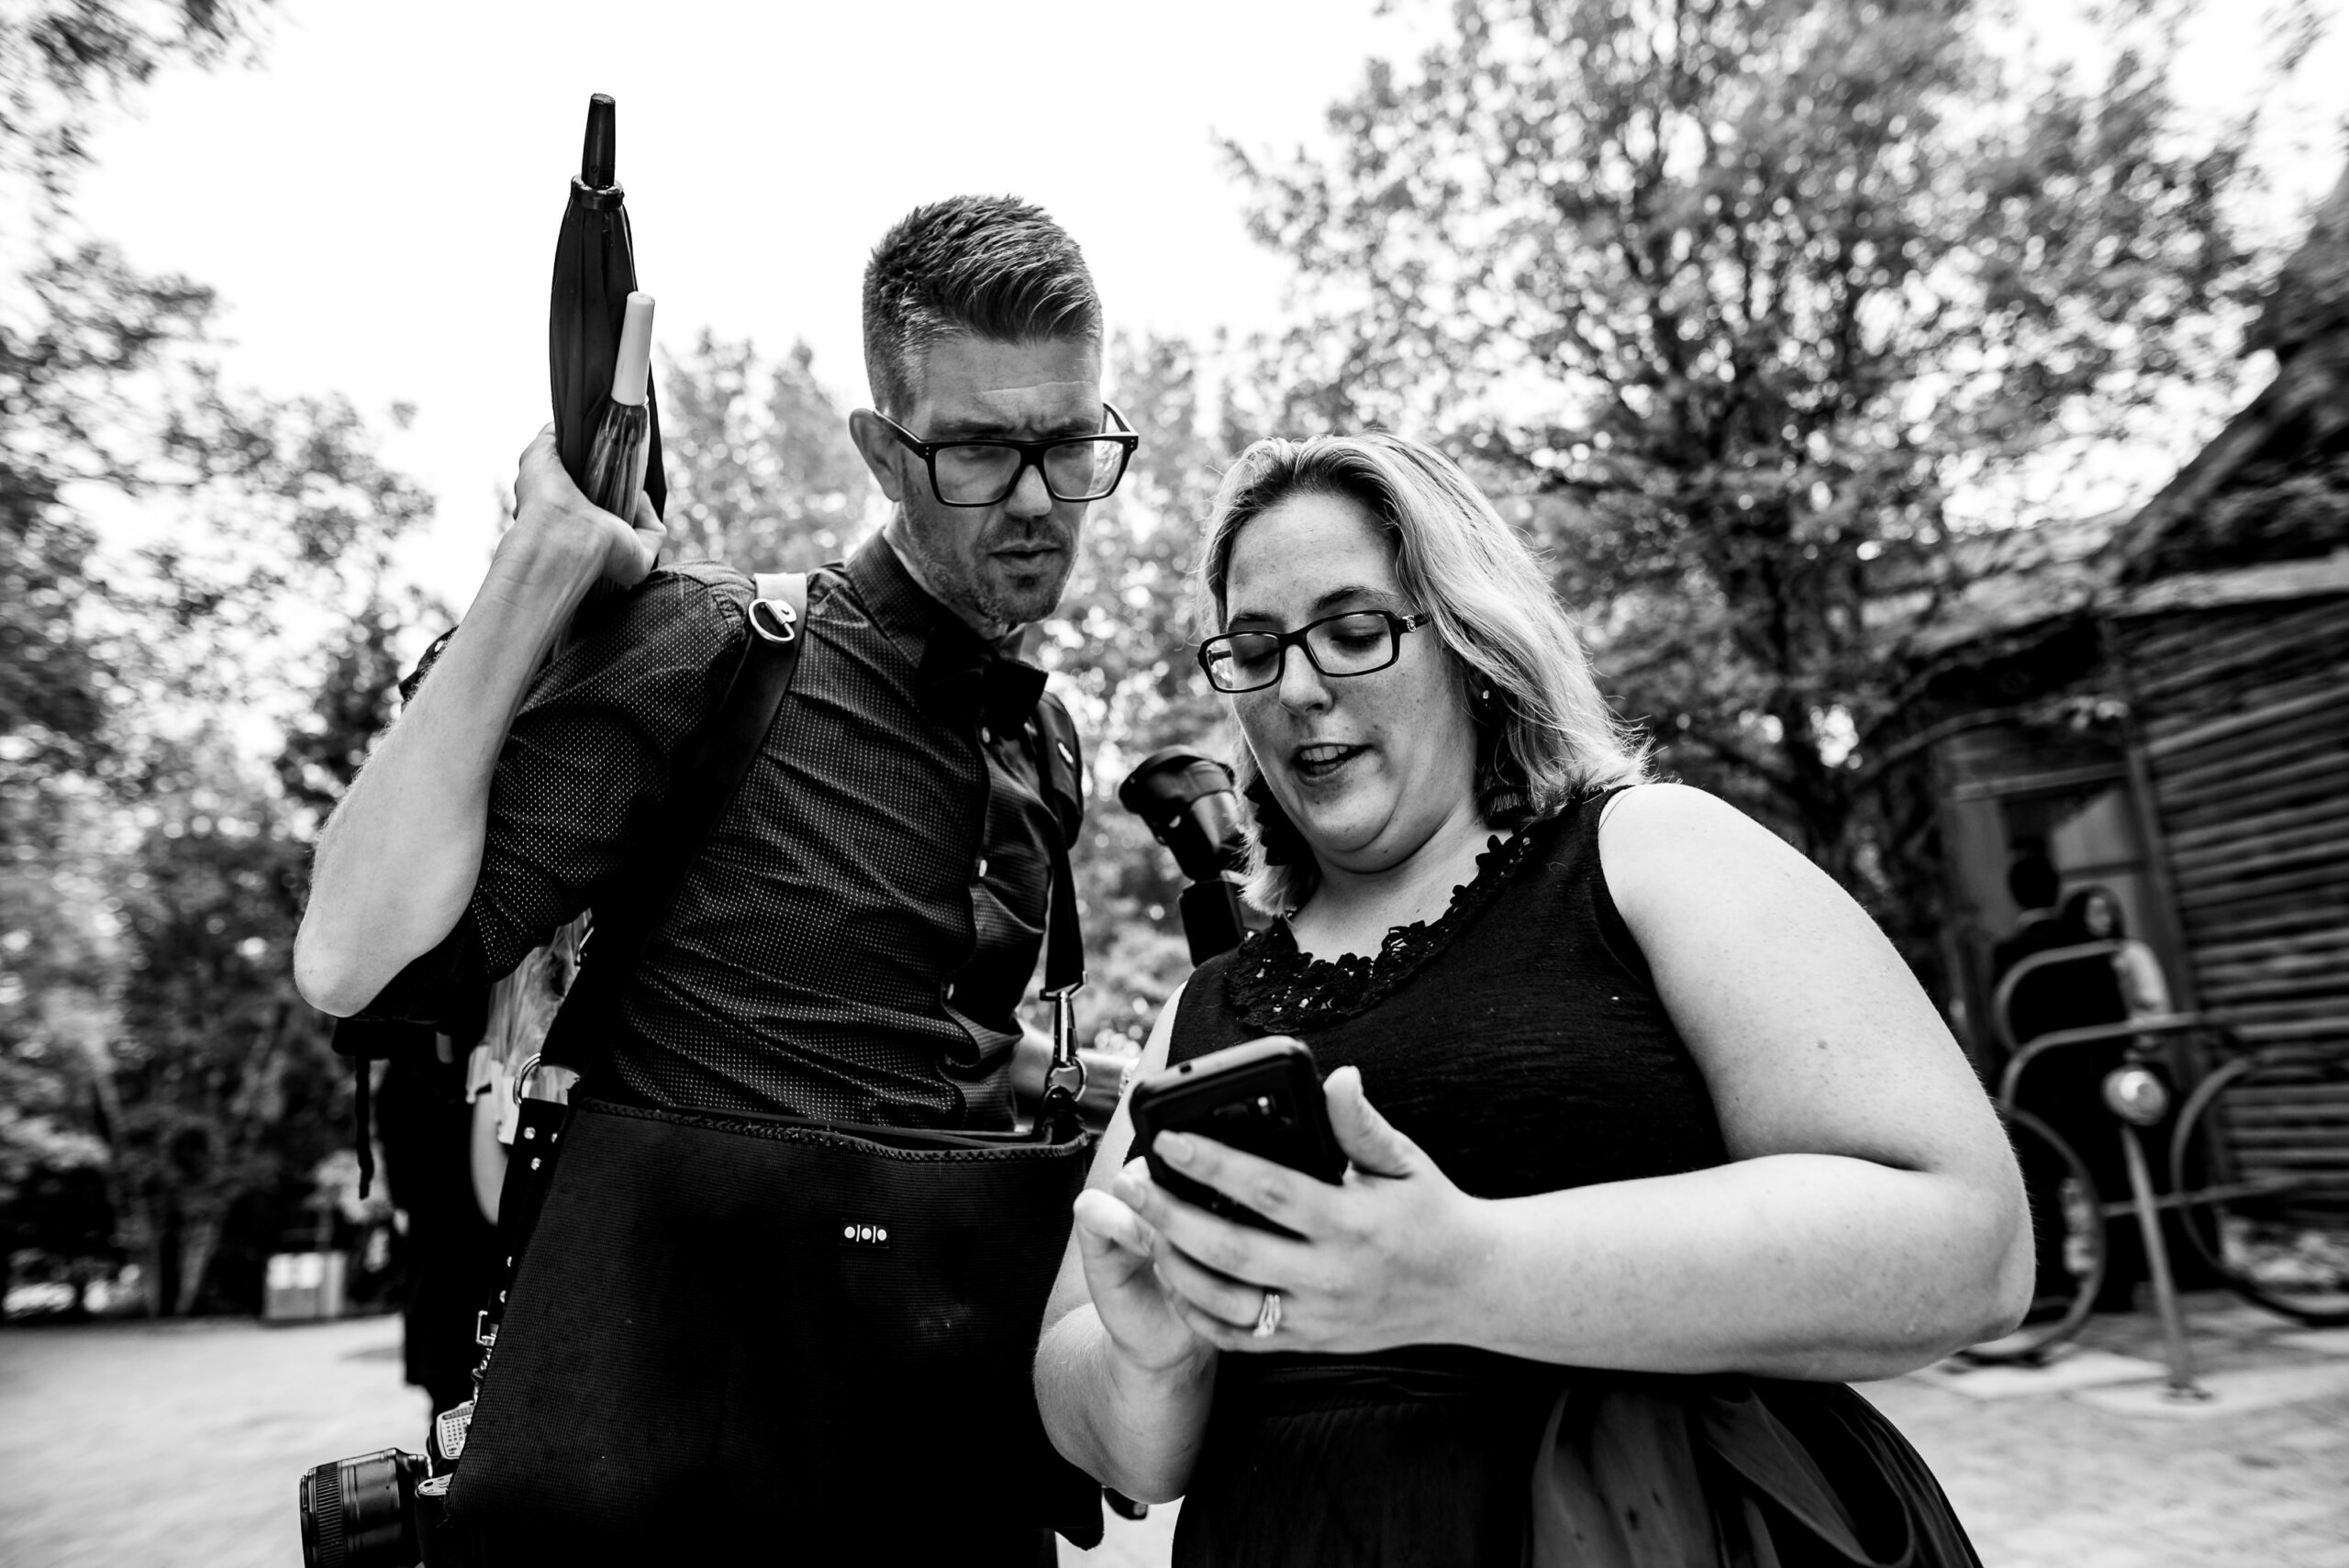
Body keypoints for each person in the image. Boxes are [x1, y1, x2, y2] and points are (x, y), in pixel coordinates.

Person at [295, 195, 1130, 1562]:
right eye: (982, 448)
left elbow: (956, 1069)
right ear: (880, 447)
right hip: (679, 1478)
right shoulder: (717, 649)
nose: (1039, 498)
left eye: (1069, 443)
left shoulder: (1045, 741)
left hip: (952, 1480)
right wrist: (541, 569)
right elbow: (355, 957)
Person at [1034, 433, 2032, 1565]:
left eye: (1355, 632)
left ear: (1467, 640)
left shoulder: (1648, 852)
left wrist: (1466, 1269)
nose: (1299, 687)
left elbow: (1971, 1244)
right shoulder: (1201, 1011)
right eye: (1254, 651)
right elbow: (1093, 1411)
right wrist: (1149, 1360)